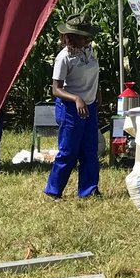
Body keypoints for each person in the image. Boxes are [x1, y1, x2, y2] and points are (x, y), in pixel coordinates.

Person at [44, 14, 101, 200]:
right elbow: (56, 89)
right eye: (84, 36)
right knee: (68, 151)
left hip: (89, 107)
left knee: (90, 150)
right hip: (70, 110)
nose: (88, 38)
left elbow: (92, 75)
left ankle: (89, 191)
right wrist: (76, 98)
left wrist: (96, 92)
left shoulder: (90, 50)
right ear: (72, 36)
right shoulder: (63, 58)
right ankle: (54, 191)